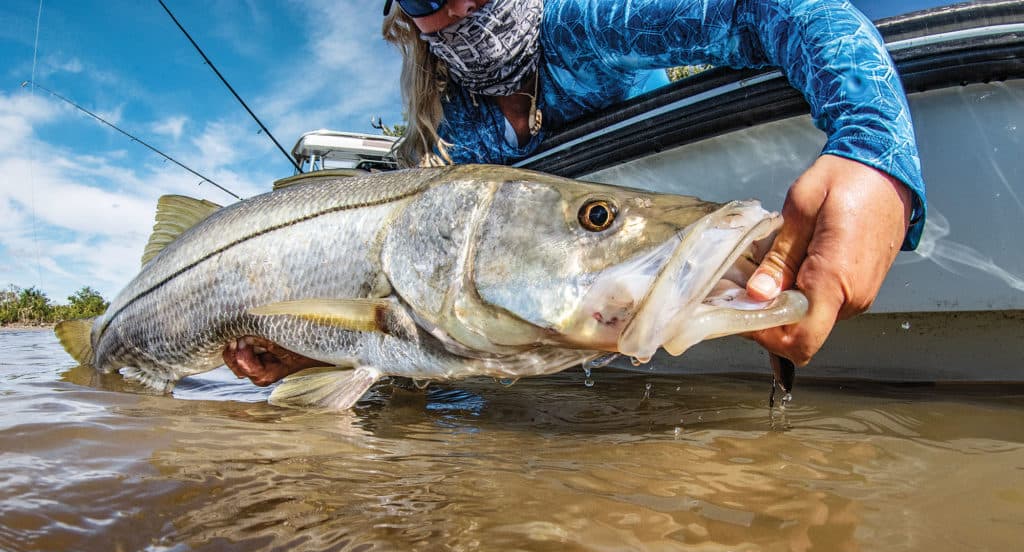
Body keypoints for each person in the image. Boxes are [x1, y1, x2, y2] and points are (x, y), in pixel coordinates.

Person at [224, 0, 925, 386]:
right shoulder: (448, 119)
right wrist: (317, 348)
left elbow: (785, 11)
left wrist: (872, 151)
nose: (462, 4)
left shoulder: (583, 26)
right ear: (406, 14)